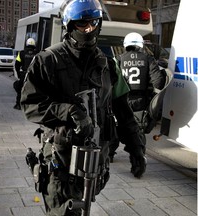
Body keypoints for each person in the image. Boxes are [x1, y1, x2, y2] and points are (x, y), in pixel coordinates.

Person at [20, 1, 146, 215]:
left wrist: (136, 148)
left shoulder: (108, 65)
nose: (88, 29)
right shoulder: (48, 60)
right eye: (81, 24)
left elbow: (123, 111)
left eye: (93, 23)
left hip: (95, 161)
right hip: (61, 162)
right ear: (70, 26)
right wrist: (67, 111)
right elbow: (30, 104)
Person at [108, 32, 166, 162]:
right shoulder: (148, 59)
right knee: (137, 130)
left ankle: (110, 155)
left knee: (116, 128)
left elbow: (110, 81)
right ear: (140, 45)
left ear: (125, 45)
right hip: (140, 102)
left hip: (121, 100)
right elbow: (159, 82)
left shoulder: (118, 59)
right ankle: (138, 159)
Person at [13, 38, 37, 110]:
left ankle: (18, 104)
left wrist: (19, 74)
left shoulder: (21, 53)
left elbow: (17, 64)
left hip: (24, 74)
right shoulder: (37, 53)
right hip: (34, 75)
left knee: (20, 89)